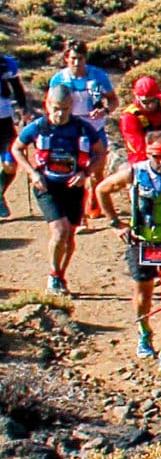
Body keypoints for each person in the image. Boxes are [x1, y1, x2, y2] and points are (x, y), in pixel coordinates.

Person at [98, 129, 161, 368]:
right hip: (140, 241)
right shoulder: (134, 173)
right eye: (156, 156)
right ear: (147, 153)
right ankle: (144, 332)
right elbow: (102, 190)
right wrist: (116, 224)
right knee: (143, 293)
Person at [16, 85, 103, 297]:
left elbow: (100, 153)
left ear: (71, 106)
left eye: (65, 108)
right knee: (60, 230)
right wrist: (31, 173)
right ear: (47, 105)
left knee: (70, 235)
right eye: (56, 108)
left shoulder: (82, 128)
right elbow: (16, 148)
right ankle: (53, 277)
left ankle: (60, 275)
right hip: (47, 186)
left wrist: (86, 173)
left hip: (74, 187)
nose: (60, 113)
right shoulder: (39, 127)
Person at [46, 44, 114, 226]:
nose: (77, 62)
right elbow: (50, 103)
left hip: (95, 127)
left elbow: (113, 99)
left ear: (86, 59)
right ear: (66, 59)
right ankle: (79, 213)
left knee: (97, 169)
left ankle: (95, 200)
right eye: (73, 58)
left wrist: (105, 110)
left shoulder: (99, 76)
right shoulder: (59, 79)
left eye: (80, 58)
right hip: (72, 131)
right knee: (75, 170)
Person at [0, 54, 25, 220]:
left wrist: (23, 109)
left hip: (4, 122)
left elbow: (17, 87)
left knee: (10, 165)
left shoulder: (6, 63)